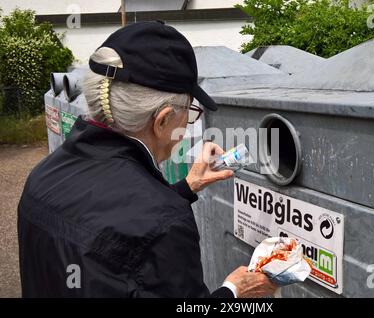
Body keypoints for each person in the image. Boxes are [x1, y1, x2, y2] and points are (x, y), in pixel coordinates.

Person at [17, 21, 277, 298]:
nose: (187, 126)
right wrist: (233, 292)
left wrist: (185, 188)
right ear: (163, 120)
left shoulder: (44, 175)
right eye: (189, 112)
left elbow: (113, 225)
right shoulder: (164, 223)